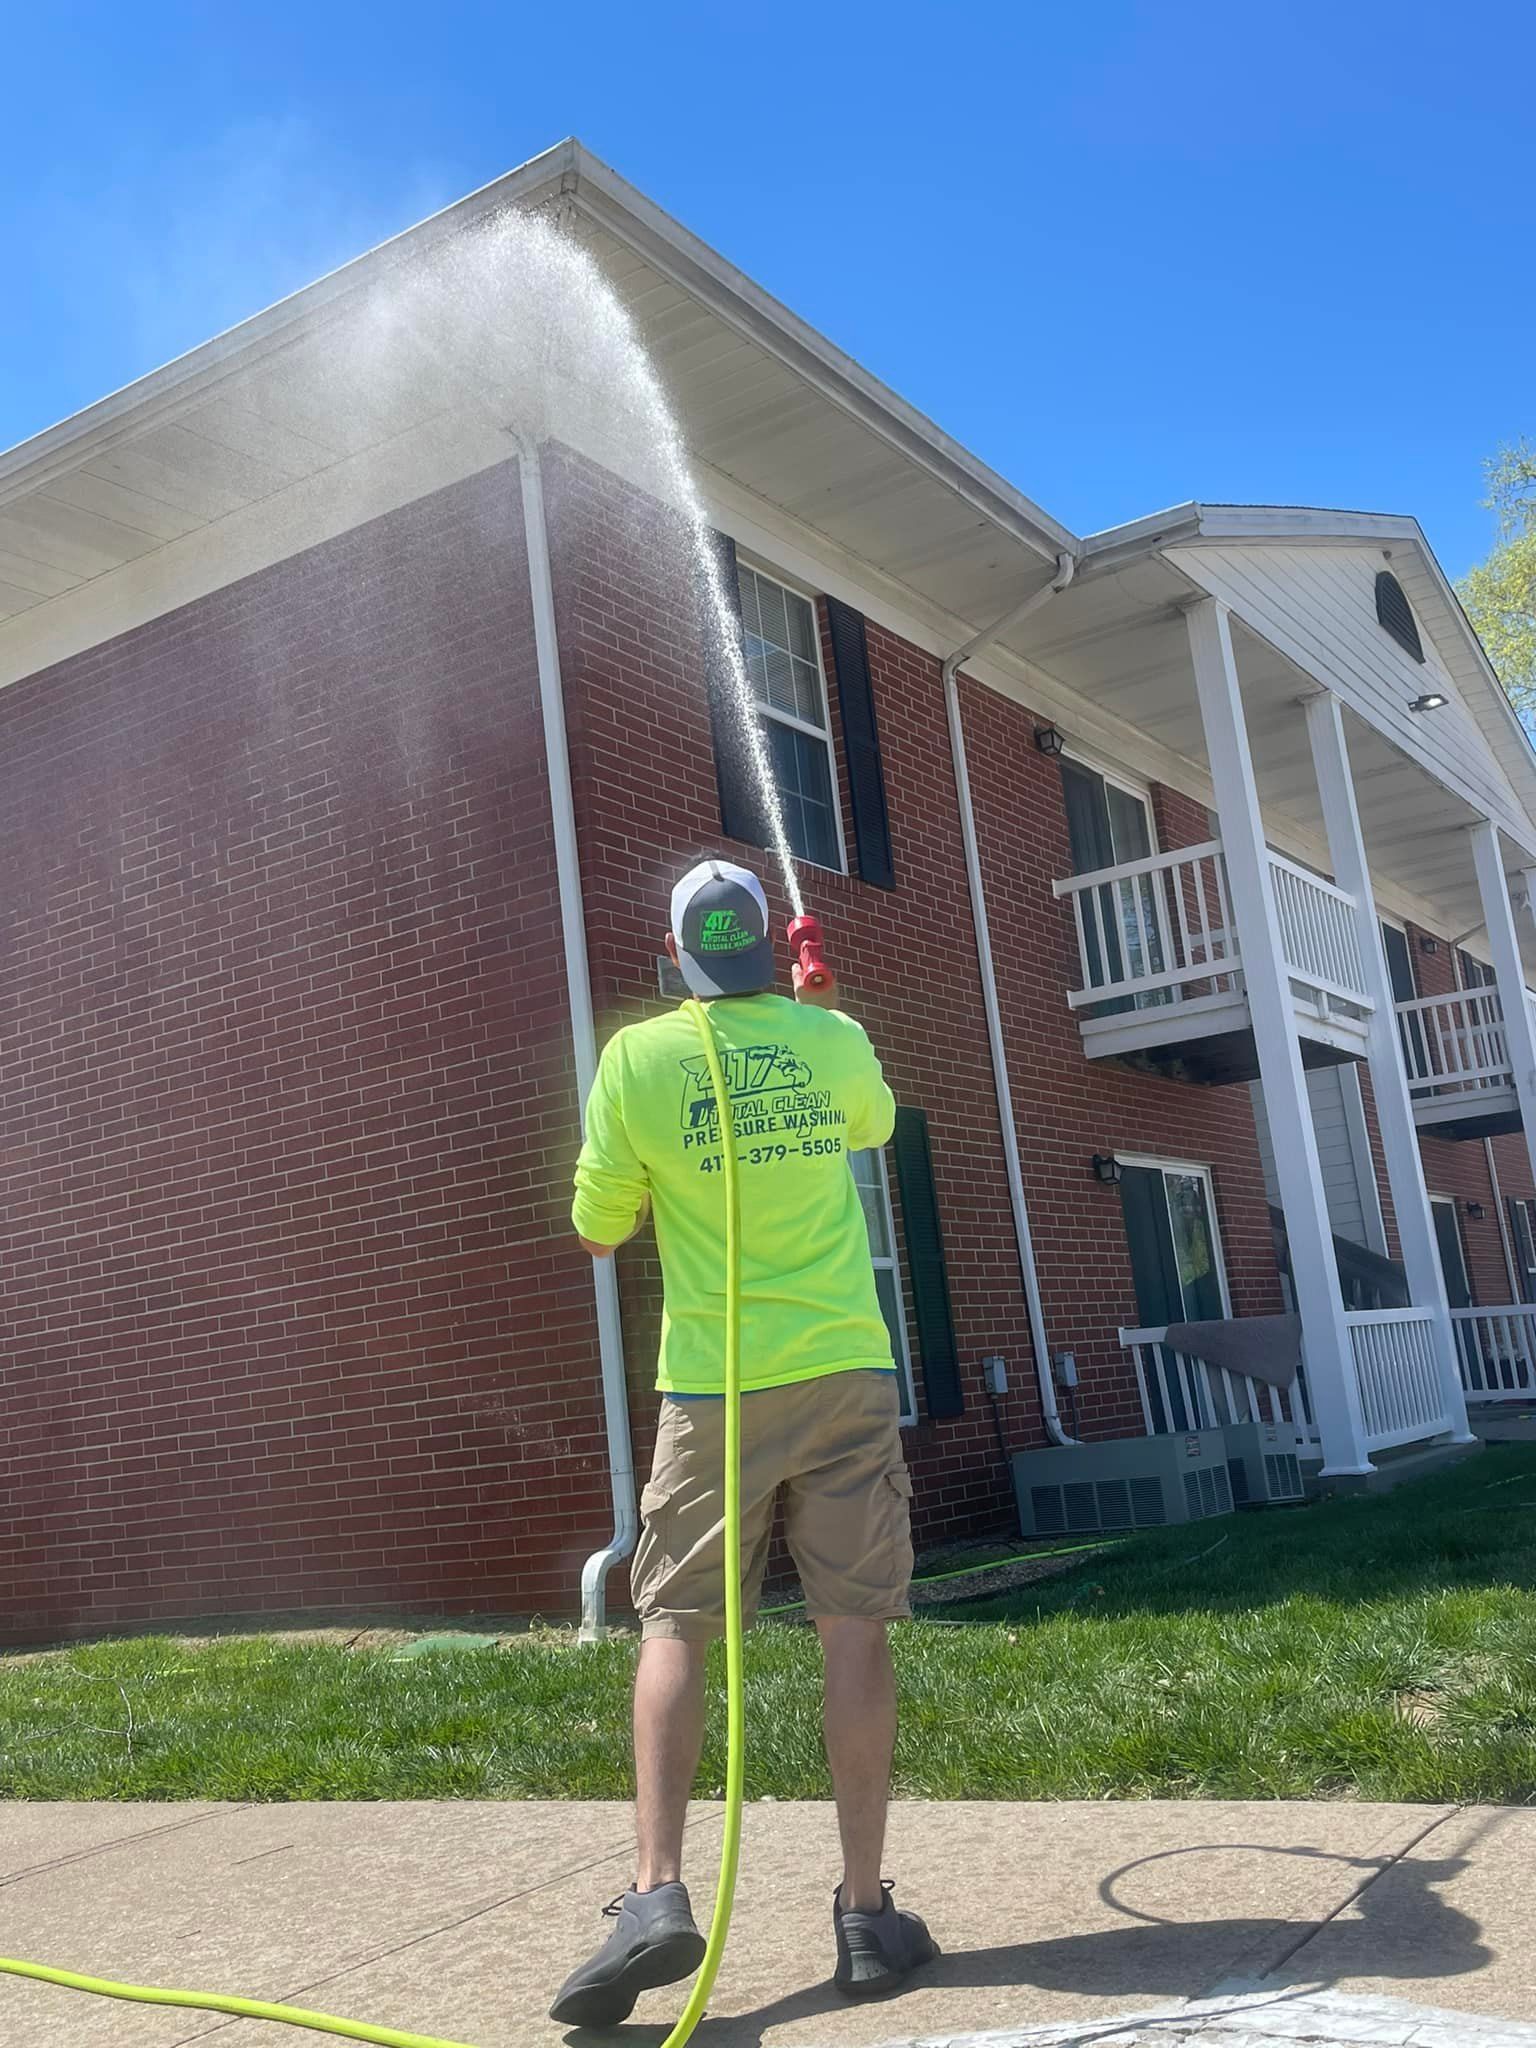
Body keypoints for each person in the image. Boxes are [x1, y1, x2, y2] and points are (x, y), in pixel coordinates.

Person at [550, 857, 936, 2026]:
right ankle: (866, 1911)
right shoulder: (834, 1036)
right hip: (842, 1369)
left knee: (673, 1622)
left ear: (675, 958)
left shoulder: (638, 1058)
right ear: (771, 945)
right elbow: (874, 1121)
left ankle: (656, 1894)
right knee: (852, 1624)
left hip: (712, 1386)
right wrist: (819, 1015)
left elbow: (597, 1224)